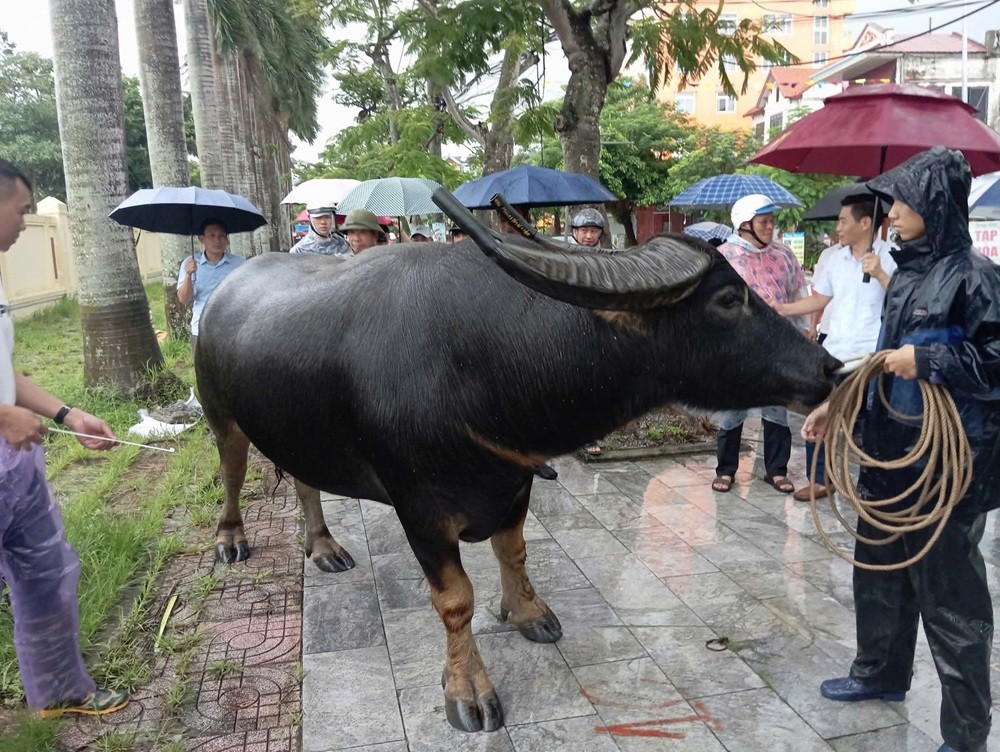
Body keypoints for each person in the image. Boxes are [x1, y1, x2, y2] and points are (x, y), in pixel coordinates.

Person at [802, 147, 1000, 752]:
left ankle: (965, 733)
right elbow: (883, 363)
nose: (894, 212)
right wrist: (837, 404)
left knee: (950, 599)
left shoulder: (976, 276)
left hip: (949, 465)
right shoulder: (904, 273)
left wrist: (931, 359)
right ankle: (880, 674)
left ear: (936, 204)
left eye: (905, 201)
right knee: (879, 574)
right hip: (890, 451)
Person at [0, 159, 129, 718]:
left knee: (46, 576)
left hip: (16, 469)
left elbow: (7, 372)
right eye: (22, 209)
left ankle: (59, 691)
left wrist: (66, 414)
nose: (26, 223)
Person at [773, 194, 897, 500]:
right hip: (835, 351)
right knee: (820, 412)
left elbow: (903, 301)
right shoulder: (834, 258)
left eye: (843, 220)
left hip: (872, 355)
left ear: (865, 222)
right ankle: (819, 480)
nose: (838, 227)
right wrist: (781, 309)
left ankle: (875, 486)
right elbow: (821, 299)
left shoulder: (891, 255)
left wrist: (880, 273)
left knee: (869, 420)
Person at [711, 193, 808, 495]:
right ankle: (726, 470)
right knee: (732, 409)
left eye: (771, 221)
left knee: (777, 407)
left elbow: (798, 292)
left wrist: (803, 329)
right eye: (763, 221)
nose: (770, 227)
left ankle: (776, 470)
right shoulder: (724, 257)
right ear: (744, 224)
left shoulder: (784, 255)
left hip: (777, 346)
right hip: (738, 347)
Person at [568, 207, 608, 457]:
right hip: (571, 325)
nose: (589, 236)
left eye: (593, 231)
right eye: (584, 230)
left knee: (596, 382)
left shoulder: (608, 258)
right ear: (574, 232)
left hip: (600, 325)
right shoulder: (565, 257)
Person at [177, 219, 244, 351]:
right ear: (201, 238)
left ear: (227, 238)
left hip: (231, 329)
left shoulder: (239, 263)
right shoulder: (190, 263)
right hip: (201, 329)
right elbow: (183, 299)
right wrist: (188, 275)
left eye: (221, 236)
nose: (217, 241)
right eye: (211, 236)